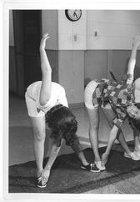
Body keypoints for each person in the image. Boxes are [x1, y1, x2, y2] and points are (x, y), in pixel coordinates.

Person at [25, 34, 98, 188]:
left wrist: (49, 168)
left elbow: (60, 139)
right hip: (34, 96)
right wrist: (42, 48)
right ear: (49, 122)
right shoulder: (44, 98)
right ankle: (38, 170)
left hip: (53, 103)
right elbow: (47, 70)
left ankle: (84, 162)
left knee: (68, 131)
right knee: (40, 135)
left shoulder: (64, 109)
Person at [84, 34, 140, 170]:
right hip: (94, 89)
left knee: (114, 126)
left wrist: (107, 153)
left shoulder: (123, 114)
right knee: (95, 125)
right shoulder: (129, 90)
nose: (131, 112)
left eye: (133, 116)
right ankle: (97, 159)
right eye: (136, 111)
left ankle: (126, 152)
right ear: (138, 106)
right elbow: (131, 65)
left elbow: (113, 132)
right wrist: (135, 47)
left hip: (106, 97)